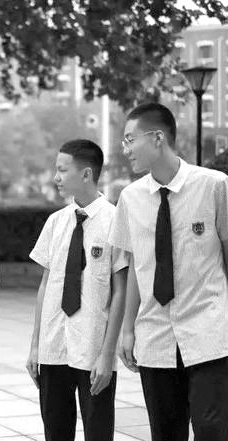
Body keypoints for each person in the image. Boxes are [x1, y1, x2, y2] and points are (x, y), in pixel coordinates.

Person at [109, 102, 228, 441]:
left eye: (130, 139)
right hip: (156, 335)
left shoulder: (214, 186)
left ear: (157, 138)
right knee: (165, 433)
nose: (125, 149)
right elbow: (137, 267)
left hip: (209, 332)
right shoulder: (130, 198)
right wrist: (128, 330)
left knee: (212, 431)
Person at [26, 139, 129, 441]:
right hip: (54, 345)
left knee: (98, 432)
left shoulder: (115, 221)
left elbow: (121, 291)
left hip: (93, 348)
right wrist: (35, 346)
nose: (55, 177)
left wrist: (108, 355)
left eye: (62, 170)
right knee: (55, 432)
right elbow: (45, 285)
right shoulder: (55, 222)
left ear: (86, 174)